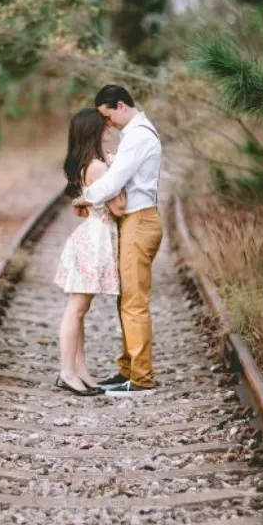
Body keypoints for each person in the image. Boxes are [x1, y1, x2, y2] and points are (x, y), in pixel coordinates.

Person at [73, 85, 162, 396]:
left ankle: (141, 378)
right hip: (134, 222)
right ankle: (128, 369)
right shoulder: (133, 135)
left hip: (139, 221)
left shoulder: (138, 136)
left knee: (134, 302)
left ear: (120, 105)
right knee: (126, 300)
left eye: (107, 115)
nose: (106, 124)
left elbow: (113, 183)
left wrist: (83, 199)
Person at [54, 108, 126, 396]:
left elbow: (84, 205)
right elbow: (118, 207)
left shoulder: (91, 163)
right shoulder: (97, 166)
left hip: (92, 235)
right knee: (77, 309)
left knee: (80, 310)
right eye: (103, 126)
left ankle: (80, 370)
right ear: (93, 132)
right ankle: (67, 372)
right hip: (95, 240)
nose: (108, 129)